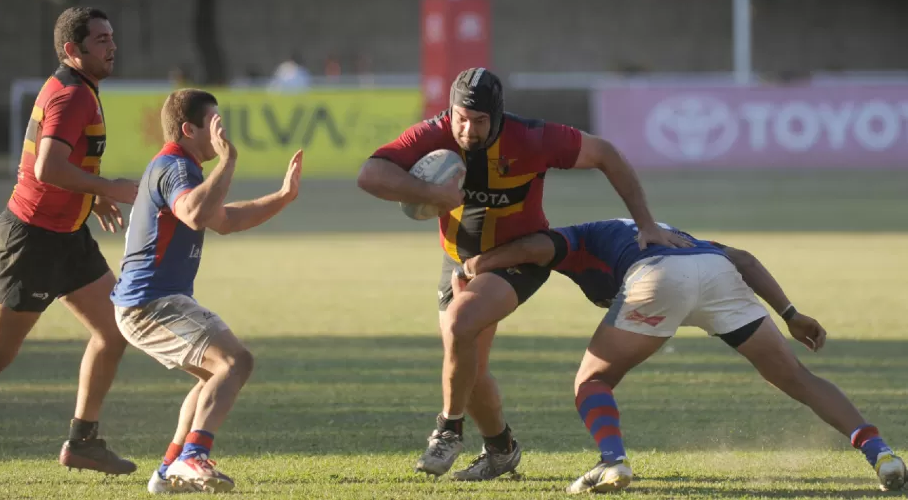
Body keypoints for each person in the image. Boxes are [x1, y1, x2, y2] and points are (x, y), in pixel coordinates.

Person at [356, 67, 690, 480]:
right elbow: (369, 174)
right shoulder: (434, 132)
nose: (467, 129)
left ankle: (447, 430)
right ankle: (501, 450)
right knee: (468, 368)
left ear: (497, 117)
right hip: (457, 260)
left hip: (519, 256)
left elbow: (605, 153)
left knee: (462, 325)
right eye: (461, 117)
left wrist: (647, 225)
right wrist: (431, 194)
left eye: (479, 121)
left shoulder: (533, 138)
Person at [452, 218, 908, 493]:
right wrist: (790, 314)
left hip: (657, 278)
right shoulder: (668, 230)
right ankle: (882, 453)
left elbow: (536, 247)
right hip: (716, 272)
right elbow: (744, 258)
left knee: (591, 383)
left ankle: (612, 460)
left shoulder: (579, 235)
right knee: (797, 378)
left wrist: (476, 265)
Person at [0, 6, 140, 483]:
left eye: (113, 36)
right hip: (32, 241)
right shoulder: (72, 96)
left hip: (67, 237)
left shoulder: (79, 89)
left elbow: (60, 167)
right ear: (73, 50)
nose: (112, 46)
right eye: (101, 40)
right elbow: (47, 167)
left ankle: (83, 442)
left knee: (114, 331)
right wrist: (108, 187)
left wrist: (91, 197)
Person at [109, 89, 303, 494]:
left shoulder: (181, 170)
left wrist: (283, 197)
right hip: (151, 302)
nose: (221, 133)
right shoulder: (176, 167)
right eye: (215, 124)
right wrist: (230, 160)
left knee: (215, 375)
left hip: (149, 301)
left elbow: (224, 219)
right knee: (236, 362)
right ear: (188, 129)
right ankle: (192, 457)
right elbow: (195, 213)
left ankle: (168, 471)